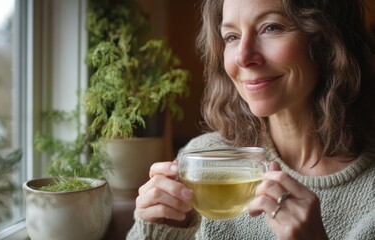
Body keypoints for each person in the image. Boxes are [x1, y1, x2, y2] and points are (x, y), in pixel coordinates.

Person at [127, 0, 375, 239]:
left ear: (327, 40)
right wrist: (159, 233)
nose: (243, 57)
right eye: (231, 37)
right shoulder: (202, 159)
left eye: (271, 28)